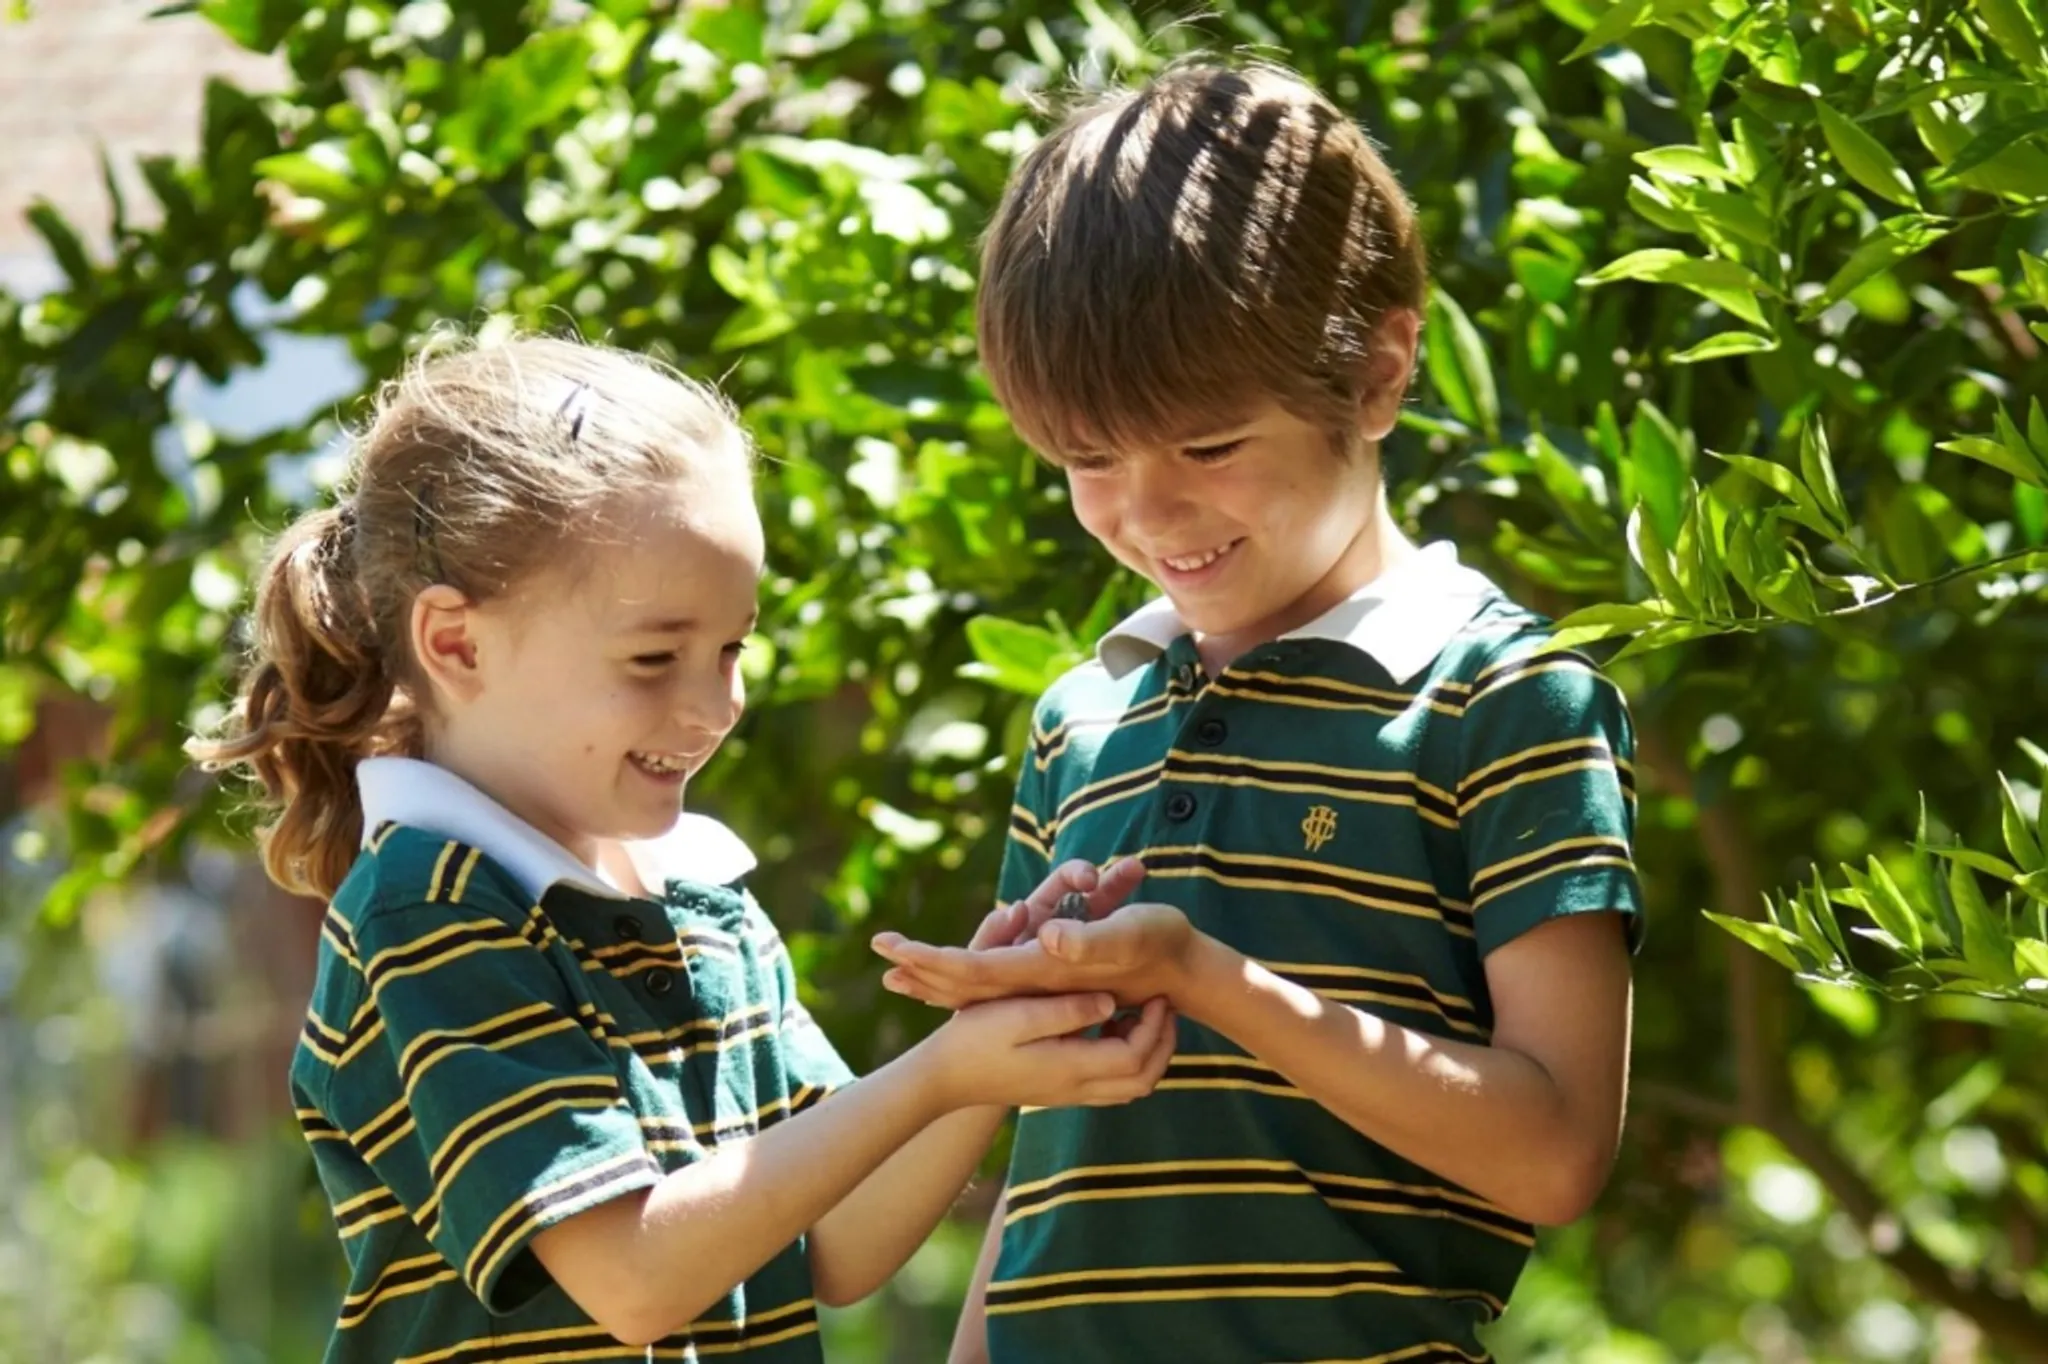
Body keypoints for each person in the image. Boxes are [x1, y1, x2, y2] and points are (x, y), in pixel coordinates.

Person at [189, 334, 1177, 1364]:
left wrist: (988, 1045)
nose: (712, 705)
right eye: (654, 656)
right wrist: (933, 1074)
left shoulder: (702, 902)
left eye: (730, 647)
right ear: (456, 642)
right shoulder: (429, 909)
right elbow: (633, 1273)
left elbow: (834, 1240)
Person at [871, 61, 1642, 1364]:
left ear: (1379, 373)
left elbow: (1557, 1153)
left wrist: (1206, 980)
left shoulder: (1506, 699)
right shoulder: (1082, 722)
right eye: (1089, 460)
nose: (1150, 514)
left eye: (1210, 446)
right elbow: (1046, 1176)